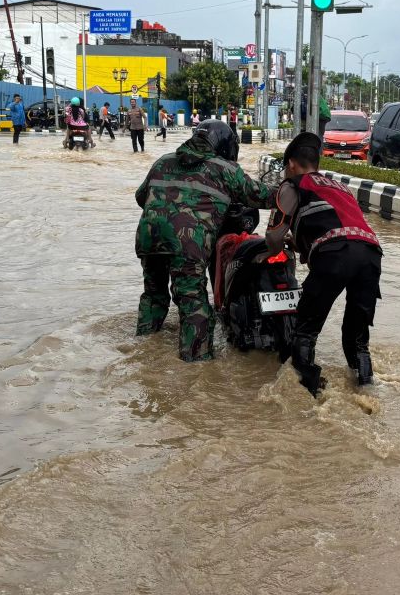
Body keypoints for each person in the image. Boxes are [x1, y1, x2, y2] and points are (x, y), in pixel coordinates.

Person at [135, 119, 274, 362]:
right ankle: (196, 366)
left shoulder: (163, 161)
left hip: (149, 238)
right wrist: (296, 188)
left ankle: (142, 352)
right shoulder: (224, 169)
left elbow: (141, 196)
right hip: (188, 242)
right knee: (193, 304)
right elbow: (260, 195)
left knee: (153, 295)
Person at [266, 132, 383, 394]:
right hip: (371, 254)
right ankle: (366, 389)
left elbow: (273, 236)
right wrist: (306, 245)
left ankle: (309, 393)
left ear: (292, 164)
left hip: (335, 255)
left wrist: (273, 250)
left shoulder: (292, 184)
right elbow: (341, 227)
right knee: (357, 338)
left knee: (305, 331)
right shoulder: (340, 186)